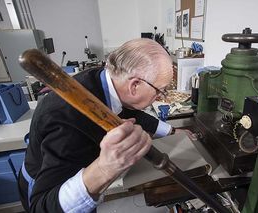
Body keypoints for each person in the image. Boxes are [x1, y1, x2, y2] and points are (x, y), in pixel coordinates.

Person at [18, 38, 177, 212]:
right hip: (53, 191)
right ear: (135, 85)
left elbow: (131, 110)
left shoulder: (108, 81)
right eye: (160, 90)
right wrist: (106, 168)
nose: (161, 97)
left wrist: (171, 130)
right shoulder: (68, 121)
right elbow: (41, 207)